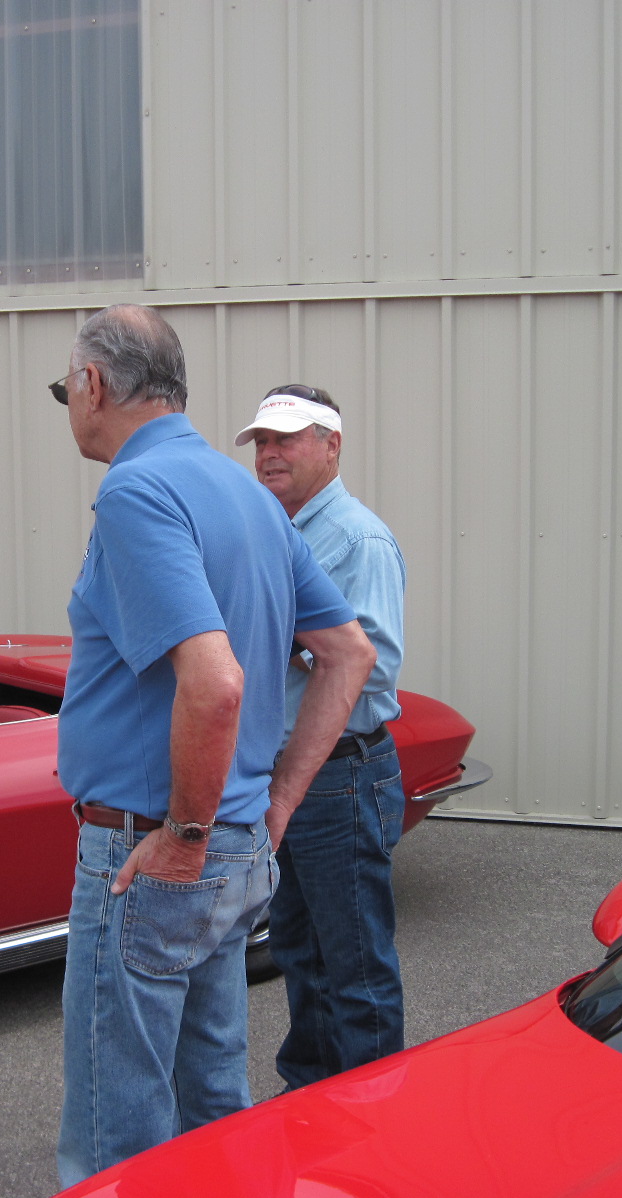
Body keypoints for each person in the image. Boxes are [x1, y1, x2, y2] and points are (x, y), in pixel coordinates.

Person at [52, 306, 376, 1186]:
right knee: (213, 1111)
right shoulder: (247, 495)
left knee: (116, 1137)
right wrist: (268, 808)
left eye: (64, 389)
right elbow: (349, 651)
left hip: (156, 849)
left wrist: (184, 836)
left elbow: (216, 682)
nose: (70, 405)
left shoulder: (136, 492)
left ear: (94, 386)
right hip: (234, 849)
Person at [235, 384, 409, 1090]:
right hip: (287, 776)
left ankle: (371, 1118)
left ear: (331, 446)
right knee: (300, 952)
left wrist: (288, 648)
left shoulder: (357, 539)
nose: (272, 454)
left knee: (355, 963)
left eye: (289, 439)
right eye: (263, 442)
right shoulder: (275, 530)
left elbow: (372, 667)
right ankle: (308, 1098)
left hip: (340, 776)